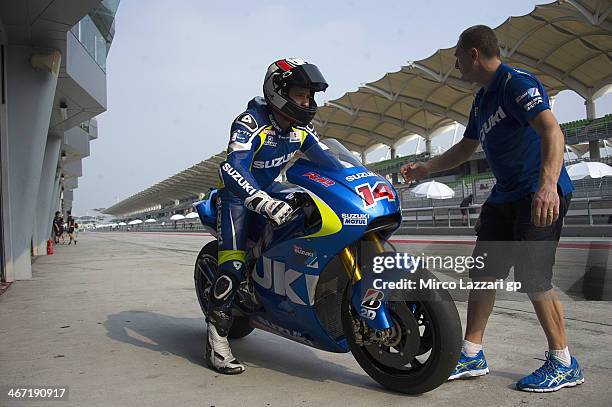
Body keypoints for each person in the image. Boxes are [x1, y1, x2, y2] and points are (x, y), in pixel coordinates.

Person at [401, 25, 583, 392]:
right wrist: (427, 168)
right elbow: (466, 148)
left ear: (473, 54)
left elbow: (552, 131)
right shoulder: (481, 100)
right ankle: (472, 353)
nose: (455, 67)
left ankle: (564, 362)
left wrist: (548, 186)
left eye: (456, 58)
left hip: (538, 192)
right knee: (482, 273)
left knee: (534, 276)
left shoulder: (515, 84)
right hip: (505, 196)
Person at [207, 58, 329, 374]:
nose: (308, 102)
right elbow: (231, 166)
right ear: (279, 92)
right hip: (237, 198)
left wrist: (364, 177)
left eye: (310, 96)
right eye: (302, 95)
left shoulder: (303, 129)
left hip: (273, 190)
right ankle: (217, 344)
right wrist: (259, 200)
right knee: (232, 265)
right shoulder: (250, 121)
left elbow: (329, 162)